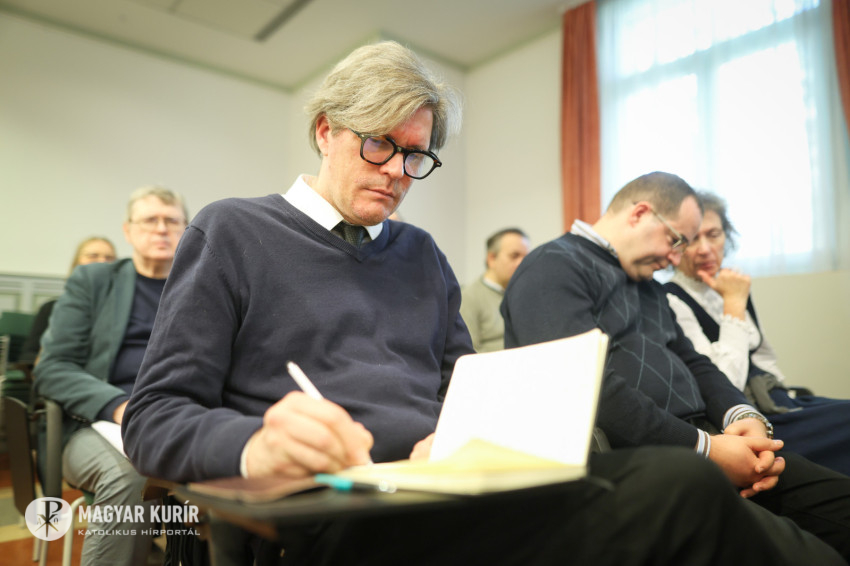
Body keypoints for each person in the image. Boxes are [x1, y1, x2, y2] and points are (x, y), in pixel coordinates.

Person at [123, 44, 846, 566]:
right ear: (325, 131)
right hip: (338, 509)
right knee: (681, 489)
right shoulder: (233, 231)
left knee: (686, 489)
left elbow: (466, 390)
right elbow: (154, 416)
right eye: (380, 146)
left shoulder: (420, 254)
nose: (398, 173)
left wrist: (463, 436)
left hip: (455, 489)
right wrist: (255, 444)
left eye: (416, 156)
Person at [502, 171, 850, 561]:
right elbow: (586, 385)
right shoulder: (553, 266)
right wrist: (707, 449)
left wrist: (744, 414)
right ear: (640, 213)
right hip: (645, 461)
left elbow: (695, 362)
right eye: (675, 240)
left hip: (704, 442)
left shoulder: (649, 287)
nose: (674, 258)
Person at [34, 186, 188, 566]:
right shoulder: (94, 281)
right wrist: (120, 406)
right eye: (150, 220)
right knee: (131, 475)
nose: (161, 229)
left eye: (172, 221)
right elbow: (53, 368)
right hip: (94, 424)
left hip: (177, 419)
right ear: (128, 230)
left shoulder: (198, 286)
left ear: (186, 229)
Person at [664, 190, 850, 475]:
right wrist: (734, 304)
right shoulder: (671, 299)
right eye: (692, 240)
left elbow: (764, 358)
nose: (705, 249)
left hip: (777, 402)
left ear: (727, 236)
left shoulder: (733, 284)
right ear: (676, 246)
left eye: (714, 235)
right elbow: (724, 381)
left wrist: (785, 394)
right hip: (741, 419)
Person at [19, 236, 117, 365]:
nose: (102, 262)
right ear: (76, 263)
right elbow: (29, 355)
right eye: (93, 256)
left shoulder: (123, 311)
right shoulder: (51, 308)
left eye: (109, 258)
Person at [460, 228, 530, 352]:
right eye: (514, 256)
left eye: (526, 257)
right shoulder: (468, 297)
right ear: (491, 259)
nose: (522, 263)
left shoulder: (524, 294)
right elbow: (468, 352)